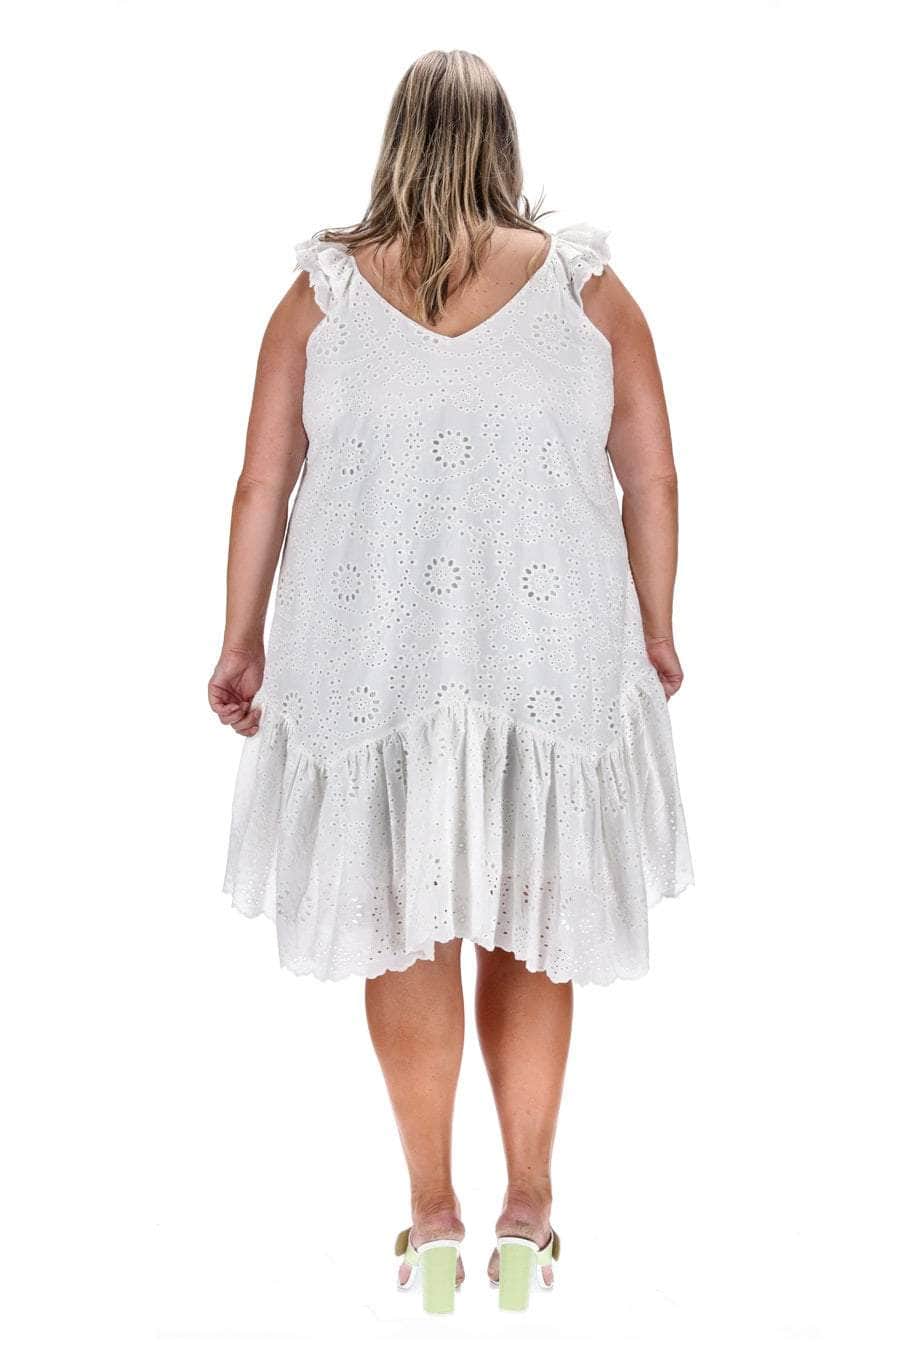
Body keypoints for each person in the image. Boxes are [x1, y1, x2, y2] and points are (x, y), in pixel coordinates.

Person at [208, 48, 693, 1315]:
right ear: (503, 142)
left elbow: (263, 482)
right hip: (548, 652)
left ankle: (432, 1211)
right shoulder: (586, 289)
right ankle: (527, 1207)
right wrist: (657, 625)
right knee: (536, 919)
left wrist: (241, 639)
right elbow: (651, 473)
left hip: (373, 661)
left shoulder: (319, 297)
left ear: (396, 141)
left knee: (401, 921)